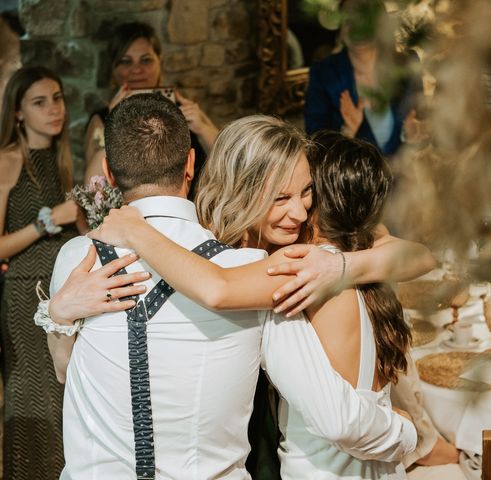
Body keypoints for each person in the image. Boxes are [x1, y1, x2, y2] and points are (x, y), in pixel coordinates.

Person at [46, 98, 418, 478]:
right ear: (191, 164)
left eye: (305, 194)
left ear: (108, 172)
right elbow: (335, 415)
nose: (302, 212)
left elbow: (63, 369)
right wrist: (407, 433)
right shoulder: (257, 273)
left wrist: (57, 313)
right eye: (281, 197)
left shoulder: (77, 258)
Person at [0, 66, 80, 480]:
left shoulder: (64, 161)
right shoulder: (9, 161)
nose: (54, 109)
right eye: (39, 102)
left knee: (68, 398)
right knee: (35, 401)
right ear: (16, 113)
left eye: (58, 98)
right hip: (24, 298)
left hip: (65, 296)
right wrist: (47, 221)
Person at [83, 21, 219, 192]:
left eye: (146, 60)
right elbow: (91, 188)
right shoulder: (102, 119)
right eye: (126, 62)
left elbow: (232, 163)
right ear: (113, 69)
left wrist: (202, 128)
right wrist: (112, 121)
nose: (137, 69)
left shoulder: (184, 109)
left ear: (159, 61)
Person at [304, 0, 424, 156]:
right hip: (353, 179)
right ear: (341, 27)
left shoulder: (407, 64)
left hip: (404, 177)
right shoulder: (323, 73)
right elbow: (315, 146)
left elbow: (424, 125)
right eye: (349, 20)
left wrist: (412, 135)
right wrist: (346, 133)